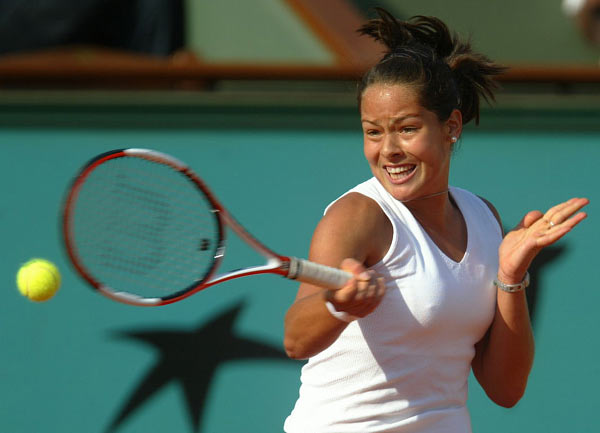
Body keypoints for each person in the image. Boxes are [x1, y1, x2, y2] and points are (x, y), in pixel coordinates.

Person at [283, 7, 589, 433]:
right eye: (373, 131)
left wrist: (510, 276)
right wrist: (338, 304)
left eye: (406, 129)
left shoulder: (484, 217)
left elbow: (506, 389)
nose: (387, 149)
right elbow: (296, 339)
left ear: (451, 126)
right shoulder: (357, 215)